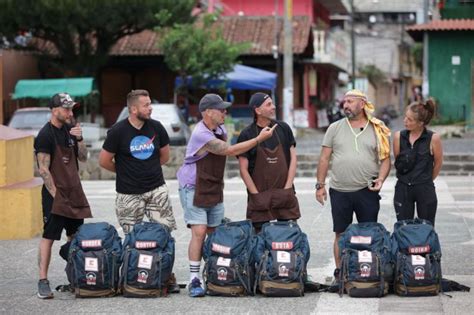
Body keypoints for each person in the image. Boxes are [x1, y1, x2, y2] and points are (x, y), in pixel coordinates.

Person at [177, 93, 276, 297]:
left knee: (215, 232)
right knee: (199, 231)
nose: (225, 112)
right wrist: (258, 139)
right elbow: (229, 150)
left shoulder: (220, 128)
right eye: (221, 109)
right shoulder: (201, 134)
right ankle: (194, 278)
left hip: (213, 185)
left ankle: (214, 271)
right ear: (207, 112)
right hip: (193, 187)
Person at [99, 89, 179, 292]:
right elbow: (104, 161)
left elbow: (165, 157)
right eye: (146, 105)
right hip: (128, 194)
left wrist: (147, 171)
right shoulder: (117, 131)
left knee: (164, 235)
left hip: (156, 190)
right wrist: (125, 171)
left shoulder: (157, 128)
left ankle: (166, 276)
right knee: (131, 238)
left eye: (150, 103)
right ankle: (132, 277)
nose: (150, 108)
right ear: (133, 109)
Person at [315, 89, 391, 283]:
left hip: (367, 190)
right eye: (344, 102)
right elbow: (324, 158)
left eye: (350, 101)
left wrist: (381, 179)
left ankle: (369, 269)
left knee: (368, 233)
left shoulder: (377, 128)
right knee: (340, 233)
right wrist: (320, 185)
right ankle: (340, 272)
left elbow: (385, 159)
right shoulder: (335, 127)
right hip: (340, 190)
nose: (345, 105)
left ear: (362, 104)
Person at [35, 92, 92, 299]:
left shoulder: (71, 129)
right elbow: (43, 170)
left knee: (76, 238)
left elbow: (84, 158)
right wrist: (57, 196)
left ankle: (75, 277)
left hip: (74, 191)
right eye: (66, 109)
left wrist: (80, 138)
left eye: (71, 109)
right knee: (49, 238)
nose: (69, 113)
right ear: (54, 110)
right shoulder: (45, 135)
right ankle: (43, 281)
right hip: (55, 194)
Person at [236, 92, 300, 231]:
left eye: (273, 103)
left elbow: (293, 158)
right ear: (257, 110)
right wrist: (255, 195)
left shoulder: (283, 128)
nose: (274, 107)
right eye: (269, 104)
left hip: (284, 191)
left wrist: (288, 188)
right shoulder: (247, 134)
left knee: (288, 235)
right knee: (260, 239)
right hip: (260, 195)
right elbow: (243, 169)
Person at [393, 99, 442, 225]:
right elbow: (398, 161)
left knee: (426, 228)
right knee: (403, 228)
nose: (405, 121)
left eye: (409, 119)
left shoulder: (433, 138)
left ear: (421, 123)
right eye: (405, 117)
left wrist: (426, 180)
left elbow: (438, 163)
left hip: (425, 189)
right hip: (403, 188)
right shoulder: (399, 136)